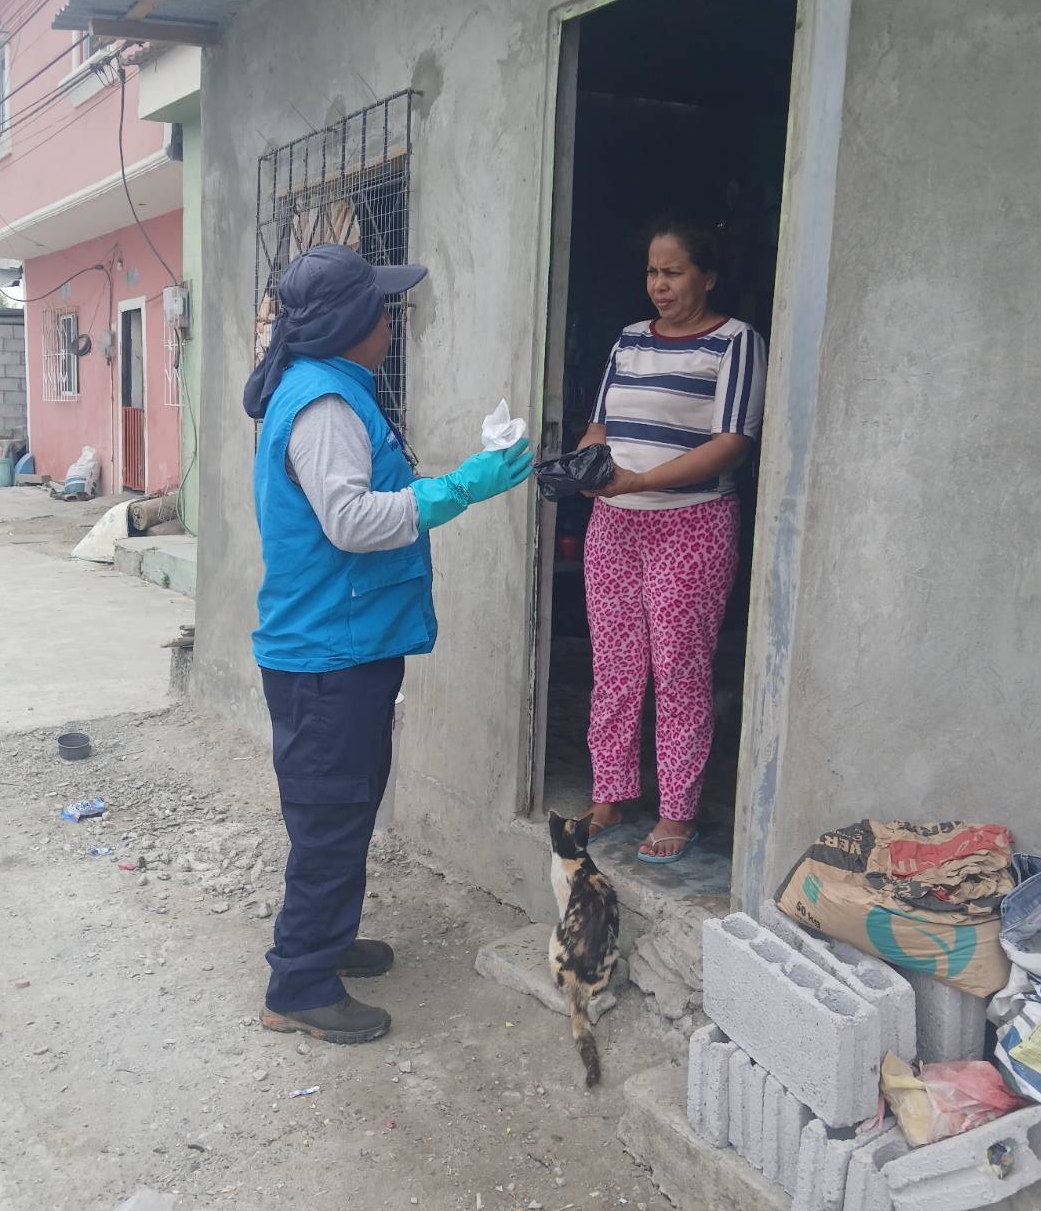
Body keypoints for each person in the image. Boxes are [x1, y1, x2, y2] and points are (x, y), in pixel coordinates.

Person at [243, 244, 532, 1042]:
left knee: (347, 806)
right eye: (383, 310)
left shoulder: (330, 389)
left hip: (345, 647)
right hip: (326, 656)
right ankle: (298, 985)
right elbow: (350, 520)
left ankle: (326, 944)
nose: (392, 322)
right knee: (331, 818)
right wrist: (461, 488)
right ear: (350, 322)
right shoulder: (324, 408)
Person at [578, 218, 767, 863]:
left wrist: (641, 479)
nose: (659, 285)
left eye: (673, 273)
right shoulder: (630, 339)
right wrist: (591, 467)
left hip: (691, 523)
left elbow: (732, 442)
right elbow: (600, 424)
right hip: (615, 524)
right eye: (652, 273)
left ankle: (677, 812)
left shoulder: (735, 342)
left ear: (707, 278)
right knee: (614, 664)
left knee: (680, 669)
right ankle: (610, 795)